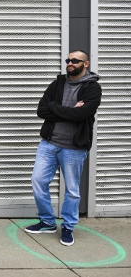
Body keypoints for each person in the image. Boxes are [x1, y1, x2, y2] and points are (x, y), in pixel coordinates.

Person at [25, 50, 101, 246]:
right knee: (38, 181)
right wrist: (69, 111)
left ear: (86, 64)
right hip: (49, 144)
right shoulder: (57, 83)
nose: (70, 63)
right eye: (68, 60)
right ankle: (48, 222)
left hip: (73, 148)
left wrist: (55, 108)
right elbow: (41, 110)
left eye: (75, 60)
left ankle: (68, 226)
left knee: (72, 190)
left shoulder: (92, 88)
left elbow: (80, 115)